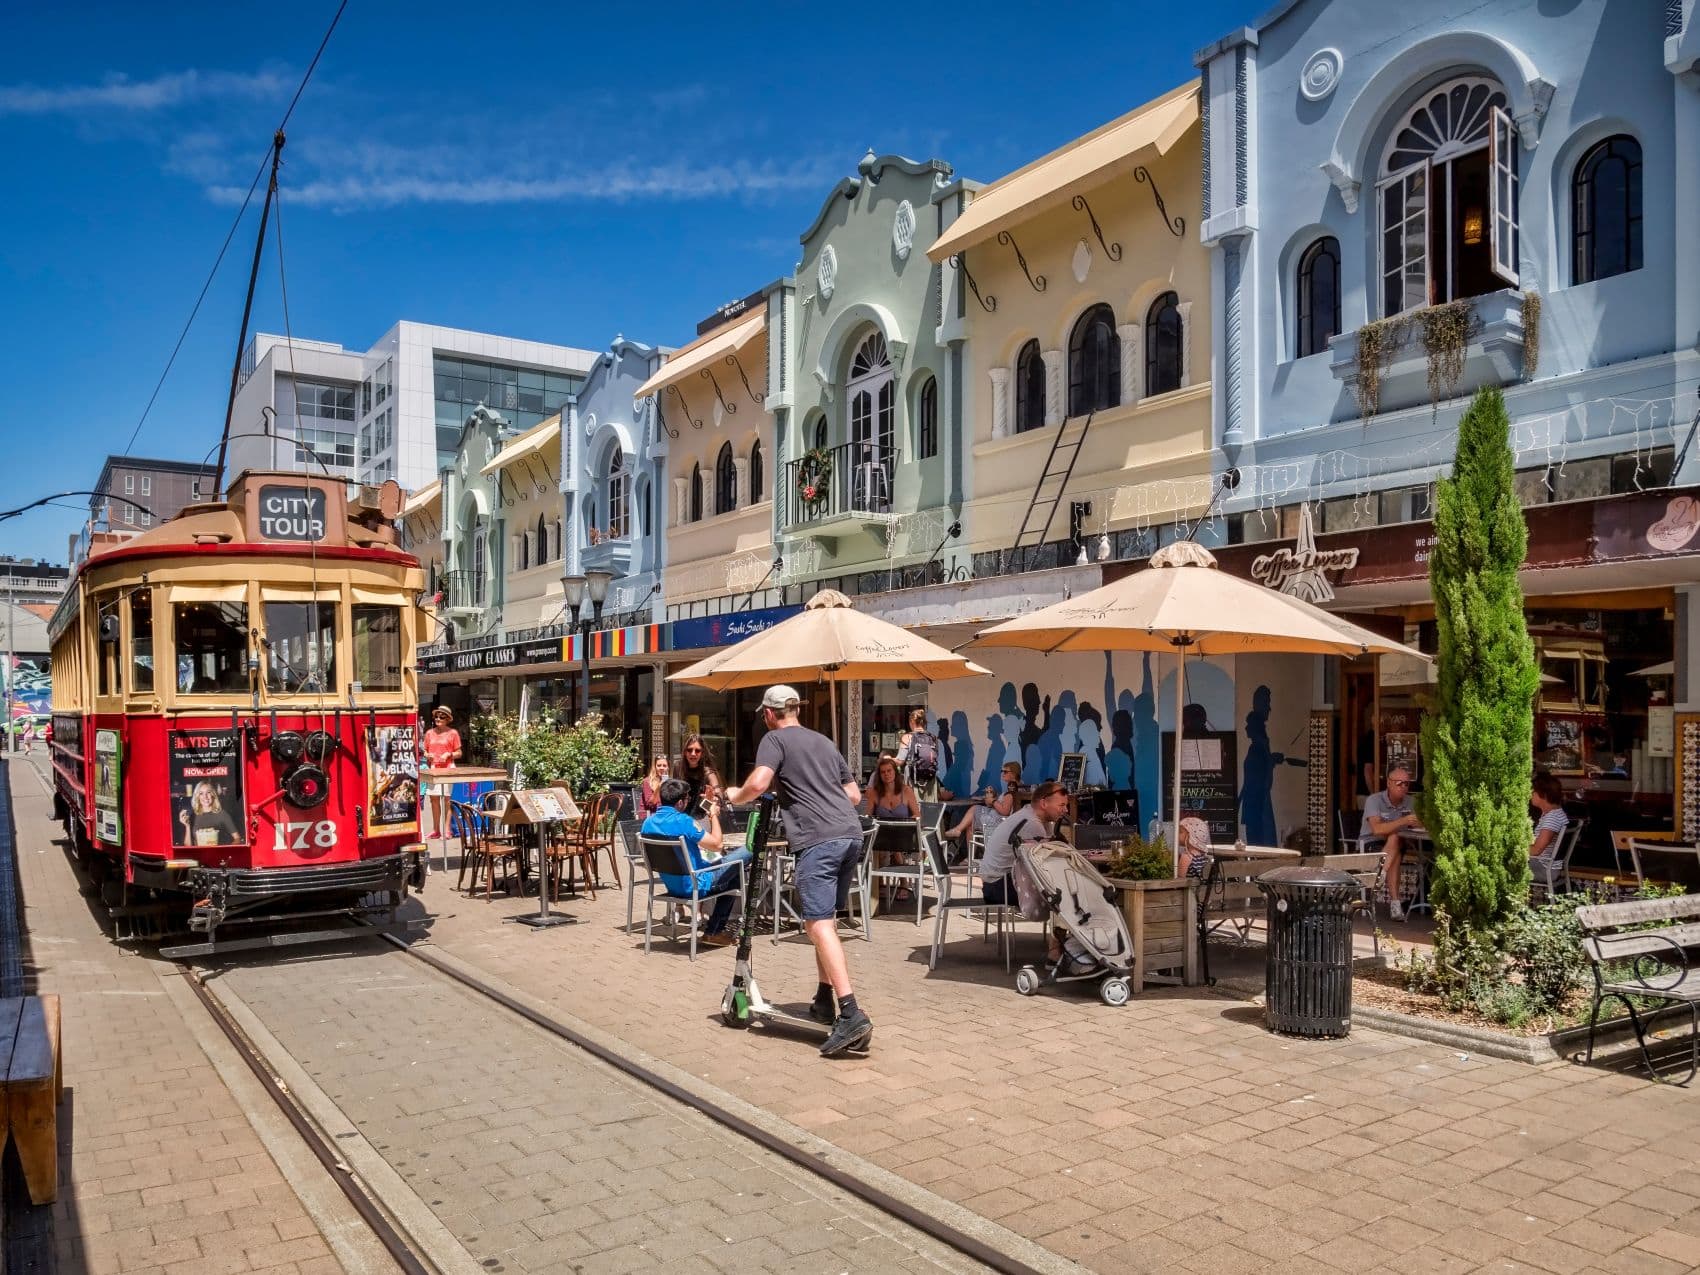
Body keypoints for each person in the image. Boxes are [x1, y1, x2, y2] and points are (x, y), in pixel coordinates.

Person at [724, 686, 872, 1058]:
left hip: (818, 839)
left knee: (816, 925)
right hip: (850, 835)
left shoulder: (775, 740)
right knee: (827, 921)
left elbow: (758, 783)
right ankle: (824, 1000)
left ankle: (850, 1013)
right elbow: (854, 795)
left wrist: (733, 794)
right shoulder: (824, 742)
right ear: (796, 710)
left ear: (768, 714)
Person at [642, 777, 749, 945]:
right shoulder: (684, 821)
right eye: (687, 798)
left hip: (672, 886)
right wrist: (713, 814)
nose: (688, 801)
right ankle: (714, 932)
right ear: (680, 803)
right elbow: (717, 845)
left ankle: (715, 932)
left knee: (734, 875)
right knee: (749, 849)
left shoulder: (648, 823)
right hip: (697, 883)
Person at [980, 782, 1071, 961]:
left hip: (995, 882)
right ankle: (1056, 952)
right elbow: (1044, 866)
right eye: (1061, 805)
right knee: (1063, 894)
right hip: (998, 887)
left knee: (1061, 889)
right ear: (1044, 803)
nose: (1066, 810)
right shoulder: (1032, 824)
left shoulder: (1033, 818)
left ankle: (1063, 943)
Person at [1363, 764, 1421, 921]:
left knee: (1395, 839)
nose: (1403, 787)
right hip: (1371, 843)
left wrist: (1418, 823)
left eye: (1407, 783)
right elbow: (1376, 829)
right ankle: (1395, 904)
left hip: (1397, 845)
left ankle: (1381, 875)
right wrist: (1403, 821)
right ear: (1389, 783)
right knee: (1395, 842)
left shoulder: (1411, 802)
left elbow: (1420, 825)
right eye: (1399, 783)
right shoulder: (1374, 800)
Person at [944, 761, 1021, 859]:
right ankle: (970, 856)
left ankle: (959, 832)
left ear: (1013, 774)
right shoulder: (1016, 788)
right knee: (971, 823)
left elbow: (1005, 811)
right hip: (1001, 821)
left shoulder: (1012, 791)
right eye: (1002, 771)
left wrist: (993, 801)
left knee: (975, 809)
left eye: (1005, 772)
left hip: (998, 823)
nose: (1002, 774)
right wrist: (994, 798)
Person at [422, 706, 462, 838]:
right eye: (436, 717)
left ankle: (447, 830)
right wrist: (427, 755)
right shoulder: (429, 733)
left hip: (448, 768)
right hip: (434, 768)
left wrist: (449, 754)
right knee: (433, 800)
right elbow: (425, 751)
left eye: (442, 717)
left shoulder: (453, 733)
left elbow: (459, 753)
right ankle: (436, 830)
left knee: (446, 800)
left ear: (448, 719)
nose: (438, 719)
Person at [1529, 771, 1570, 882]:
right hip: (1544, 865)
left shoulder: (1552, 818)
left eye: (1533, 791)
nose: (1530, 794)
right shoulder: (1556, 813)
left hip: (1544, 869)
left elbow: (1536, 850)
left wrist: (1511, 850)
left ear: (1544, 794)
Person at [896, 707, 942, 801]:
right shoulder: (933, 738)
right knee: (929, 807)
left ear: (912, 722)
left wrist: (887, 759)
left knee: (913, 806)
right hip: (930, 780)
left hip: (913, 779)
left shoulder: (907, 737)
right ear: (924, 723)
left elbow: (900, 761)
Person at [861, 754, 921, 821]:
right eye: (883, 772)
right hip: (881, 827)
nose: (886, 774)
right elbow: (868, 816)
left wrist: (907, 823)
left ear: (895, 772)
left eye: (889, 771)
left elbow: (917, 815)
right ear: (879, 775)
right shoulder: (874, 792)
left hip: (903, 827)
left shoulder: (907, 791)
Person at [179, 781, 239, 847]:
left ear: (213, 794)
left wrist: (225, 850)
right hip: (199, 853)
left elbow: (237, 839)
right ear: (197, 797)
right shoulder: (192, 816)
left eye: (208, 792)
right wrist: (187, 826)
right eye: (201, 793)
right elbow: (187, 846)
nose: (205, 797)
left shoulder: (223, 814)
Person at [676, 734, 722, 814]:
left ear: (702, 753)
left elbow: (718, 793)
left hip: (702, 816)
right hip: (681, 815)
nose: (693, 753)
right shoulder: (678, 768)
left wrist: (716, 802)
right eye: (689, 750)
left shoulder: (708, 773)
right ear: (685, 752)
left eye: (697, 750)